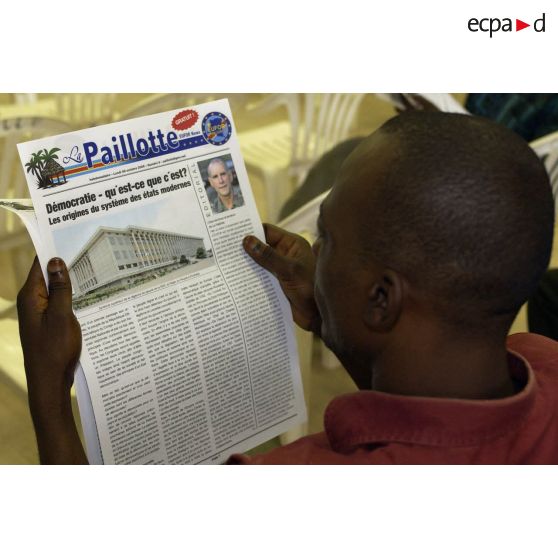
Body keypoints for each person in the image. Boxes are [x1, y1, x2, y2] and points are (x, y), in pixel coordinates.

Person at [17, 112, 558, 464]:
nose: (312, 251)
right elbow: (418, 412)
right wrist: (330, 316)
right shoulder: (543, 360)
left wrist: (49, 396)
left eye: (326, 237)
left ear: (381, 300)